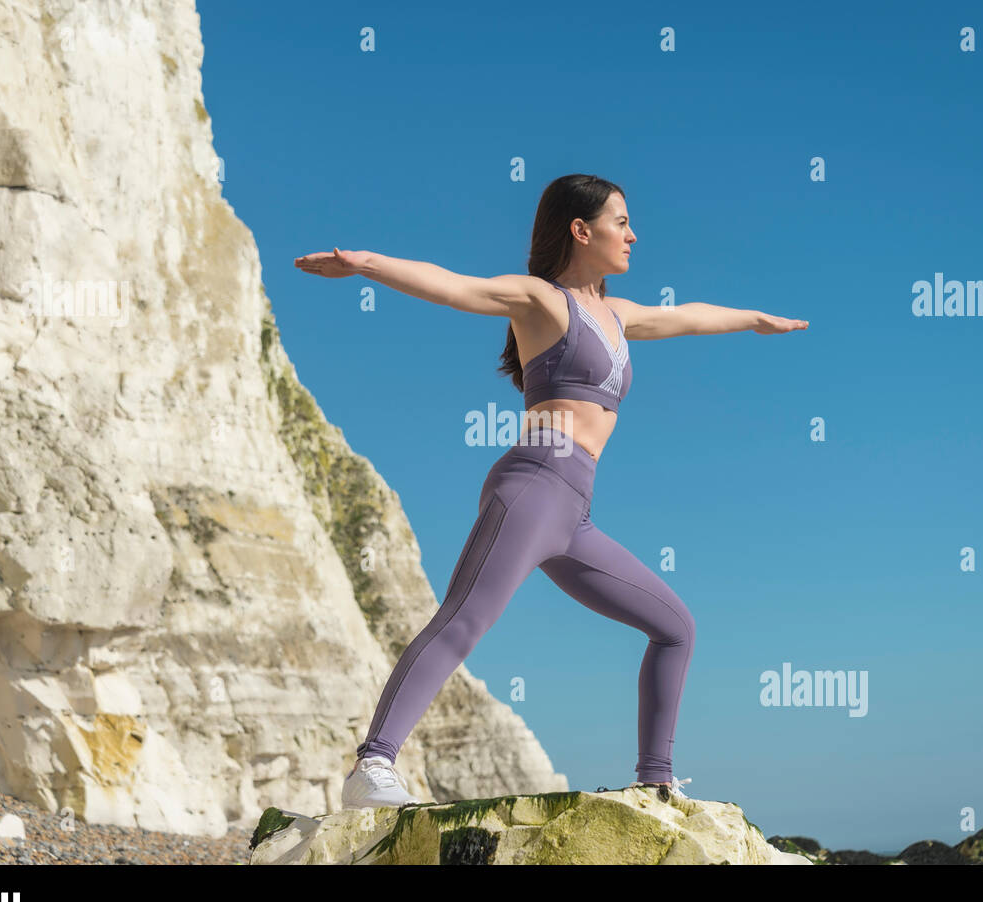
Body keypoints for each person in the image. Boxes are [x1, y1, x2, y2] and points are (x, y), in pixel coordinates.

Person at [294, 174, 808, 810]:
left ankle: (656, 780)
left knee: (675, 627)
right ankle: (372, 766)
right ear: (581, 229)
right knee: (464, 620)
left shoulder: (618, 316)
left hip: (575, 514)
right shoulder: (541, 301)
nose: (633, 234)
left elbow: (688, 315)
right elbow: (455, 287)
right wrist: (364, 263)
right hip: (533, 485)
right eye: (621, 221)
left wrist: (754, 319)